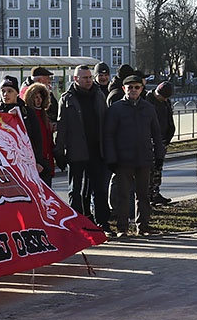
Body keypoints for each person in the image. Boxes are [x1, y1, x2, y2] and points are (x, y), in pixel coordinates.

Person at [104, 74, 165, 238]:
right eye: (129, 87)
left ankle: (143, 226)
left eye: (136, 87)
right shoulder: (116, 108)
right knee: (123, 195)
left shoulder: (148, 108)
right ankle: (122, 228)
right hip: (123, 159)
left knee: (143, 195)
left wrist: (159, 156)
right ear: (124, 89)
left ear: (142, 89)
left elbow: (156, 134)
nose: (133, 90)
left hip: (144, 158)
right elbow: (108, 135)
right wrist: (111, 159)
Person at [55, 65, 111, 231]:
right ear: (75, 79)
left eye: (89, 77)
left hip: (96, 151)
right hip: (76, 151)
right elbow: (62, 127)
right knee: (76, 190)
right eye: (84, 78)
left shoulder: (99, 95)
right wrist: (59, 151)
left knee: (99, 189)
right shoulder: (67, 99)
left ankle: (102, 222)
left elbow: (105, 122)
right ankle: (78, 224)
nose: (88, 80)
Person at [0, 75, 49, 181]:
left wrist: (38, 161)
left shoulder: (27, 112)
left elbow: (37, 138)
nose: (5, 94)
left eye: (9, 91)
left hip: (25, 162)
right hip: (4, 163)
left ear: (17, 93)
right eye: (3, 91)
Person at [146, 81, 176, 206]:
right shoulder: (148, 101)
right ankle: (148, 195)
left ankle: (155, 193)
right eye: (161, 97)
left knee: (158, 169)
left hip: (163, 140)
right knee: (150, 171)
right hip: (151, 141)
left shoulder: (165, 102)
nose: (163, 100)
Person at [23, 82, 56, 185]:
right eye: (35, 97)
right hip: (36, 161)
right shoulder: (28, 116)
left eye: (40, 97)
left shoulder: (44, 115)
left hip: (46, 160)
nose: (38, 100)